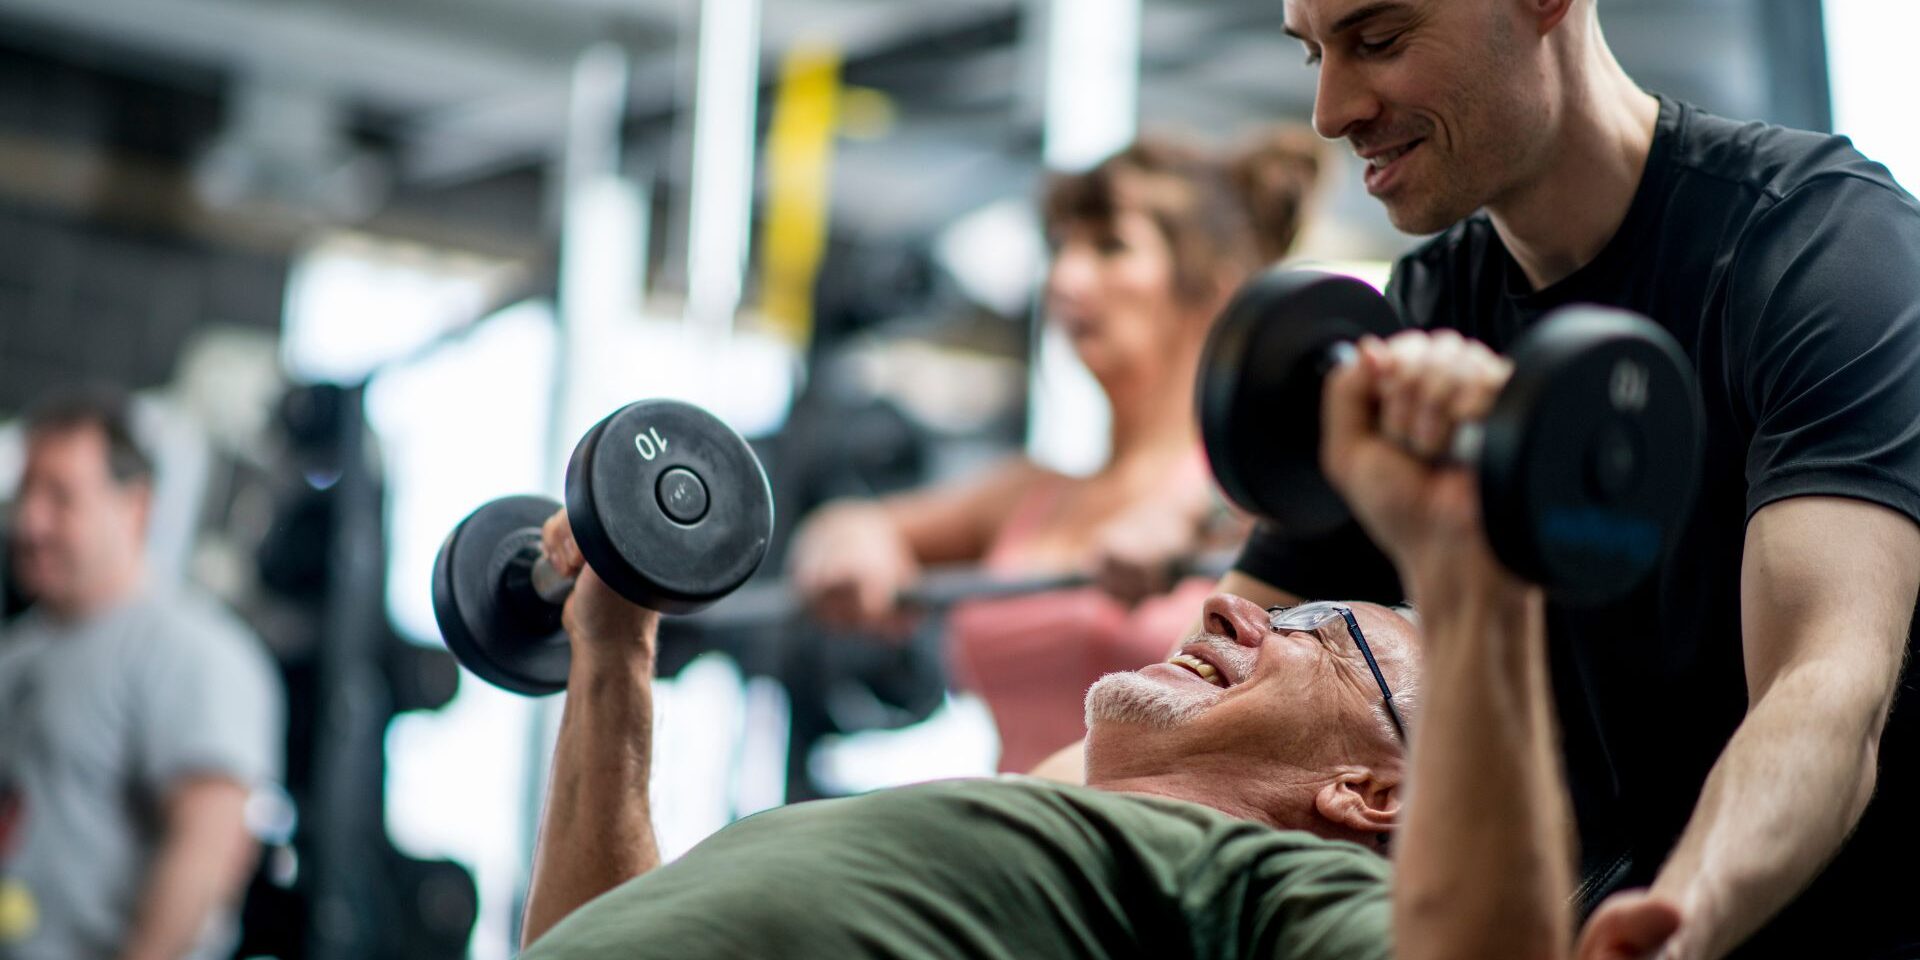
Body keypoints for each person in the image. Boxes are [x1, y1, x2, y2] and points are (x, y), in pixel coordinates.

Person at [499, 340, 1685, 960]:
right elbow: (587, 939)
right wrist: (614, 646)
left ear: (1367, 793)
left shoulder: (1255, 891)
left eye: (1319, 635)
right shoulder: (1000, 829)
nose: (1231, 610)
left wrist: (1467, 570)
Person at [1217, 0, 1920, 956]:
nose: (1331, 111)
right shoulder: (1426, 320)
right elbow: (1209, 683)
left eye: (1378, 40)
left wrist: (1677, 924)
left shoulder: (1820, 250)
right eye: (1314, 56)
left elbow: (1828, 684)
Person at [789, 131, 1323, 771]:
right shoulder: (1031, 494)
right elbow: (851, 522)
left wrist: (1192, 518)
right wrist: (850, 541)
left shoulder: (1255, 491)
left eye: (1110, 247)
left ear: (1212, 284)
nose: (1065, 278)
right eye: (1061, 247)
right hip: (1012, 847)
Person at [0, 390, 285, 960]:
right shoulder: (20, 651)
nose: (30, 522)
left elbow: (208, 847)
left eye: (60, 497)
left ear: (136, 508)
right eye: (25, 493)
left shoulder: (192, 651)